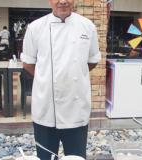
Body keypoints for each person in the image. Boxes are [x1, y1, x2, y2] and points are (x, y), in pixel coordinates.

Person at [20, 0, 101, 159]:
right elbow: (28, 63)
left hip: (76, 109)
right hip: (46, 108)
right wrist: (46, 78)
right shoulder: (36, 27)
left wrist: (71, 74)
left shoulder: (87, 26)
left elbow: (92, 60)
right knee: (45, 157)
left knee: (76, 157)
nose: (62, 1)